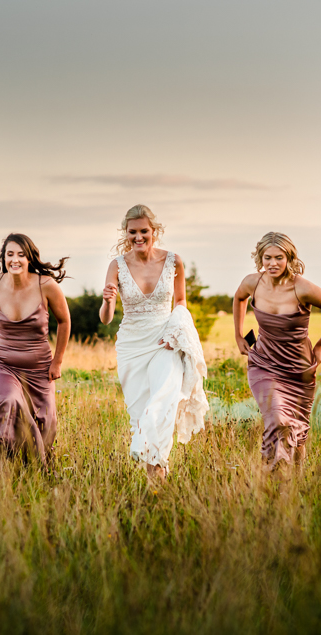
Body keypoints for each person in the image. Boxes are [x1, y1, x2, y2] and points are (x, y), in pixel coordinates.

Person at [100, 205, 208, 480]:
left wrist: (175, 332)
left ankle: (156, 474)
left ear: (154, 231)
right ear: (126, 234)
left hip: (165, 341)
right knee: (140, 412)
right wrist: (107, 300)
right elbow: (106, 318)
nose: (138, 237)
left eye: (143, 231)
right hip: (132, 346)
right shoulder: (117, 265)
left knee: (162, 403)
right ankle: (156, 474)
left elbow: (180, 301)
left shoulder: (173, 261)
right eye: (132, 232)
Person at [232, 232, 321, 468]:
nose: (272, 263)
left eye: (279, 258)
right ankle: (273, 477)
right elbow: (239, 298)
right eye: (267, 257)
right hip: (263, 363)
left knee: (298, 432)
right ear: (260, 258)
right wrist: (238, 334)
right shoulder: (253, 282)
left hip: (299, 369)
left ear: (289, 258)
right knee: (277, 420)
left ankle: (297, 481)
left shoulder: (302, 288)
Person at [0, 234, 71, 463]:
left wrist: (57, 361)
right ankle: (7, 461)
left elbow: (64, 321)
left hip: (39, 368)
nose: (15, 260)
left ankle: (34, 467)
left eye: (20, 254)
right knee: (9, 400)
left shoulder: (46, 286)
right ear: (3, 258)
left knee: (46, 424)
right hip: (2, 364)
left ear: (29, 258)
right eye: (10, 254)